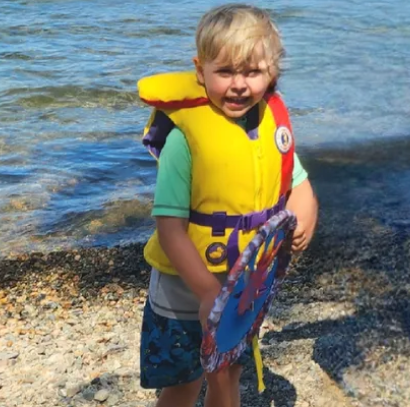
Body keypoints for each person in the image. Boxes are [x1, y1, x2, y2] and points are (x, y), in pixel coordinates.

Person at [136, 4, 319, 407]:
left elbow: (297, 182)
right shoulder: (185, 140)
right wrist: (205, 292)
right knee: (184, 381)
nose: (239, 85)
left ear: (272, 71)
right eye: (225, 72)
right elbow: (169, 229)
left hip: (242, 284)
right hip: (185, 289)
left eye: (252, 72)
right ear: (200, 71)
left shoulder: (273, 127)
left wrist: (305, 216)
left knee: (229, 372)